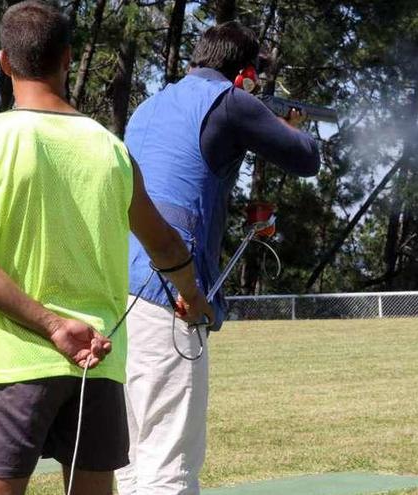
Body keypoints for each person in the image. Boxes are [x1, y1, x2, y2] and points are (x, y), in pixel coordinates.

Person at [0, 2, 212, 494]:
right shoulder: (112, 150)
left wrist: (50, 326)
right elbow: (165, 243)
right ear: (68, 58)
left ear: (4, 61)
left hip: (13, 361)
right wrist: (193, 296)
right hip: (100, 363)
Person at [115, 21, 321, 495]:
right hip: (171, 291)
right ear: (245, 73)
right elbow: (306, 157)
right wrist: (290, 126)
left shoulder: (149, 105)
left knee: (131, 462)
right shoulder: (230, 101)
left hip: (117, 288)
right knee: (171, 466)